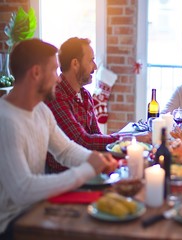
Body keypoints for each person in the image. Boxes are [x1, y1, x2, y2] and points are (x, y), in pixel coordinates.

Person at [0, 39, 118, 238]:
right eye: (54, 70)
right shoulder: (6, 120)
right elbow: (23, 190)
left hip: (36, 208)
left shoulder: (40, 110)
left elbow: (64, 150)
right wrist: (87, 170)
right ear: (36, 73)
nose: (58, 78)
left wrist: (92, 159)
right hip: (12, 224)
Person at [45, 37, 150, 173]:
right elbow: (83, 141)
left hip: (89, 167)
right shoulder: (57, 96)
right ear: (75, 64)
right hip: (67, 174)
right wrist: (129, 139)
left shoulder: (85, 95)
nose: (94, 67)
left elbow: (96, 137)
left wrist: (119, 147)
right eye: (90, 60)